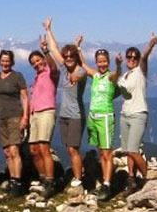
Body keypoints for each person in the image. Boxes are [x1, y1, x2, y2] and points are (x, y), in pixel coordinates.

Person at [42, 19, 86, 192]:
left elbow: (80, 75)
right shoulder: (64, 69)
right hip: (64, 115)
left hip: (76, 116)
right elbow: (53, 48)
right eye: (66, 56)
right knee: (69, 149)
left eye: (71, 56)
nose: (67, 59)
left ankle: (78, 180)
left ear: (75, 57)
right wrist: (49, 30)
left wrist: (75, 77)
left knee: (73, 149)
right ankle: (78, 175)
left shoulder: (80, 71)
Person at [76, 43, 123, 201]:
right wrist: (78, 49)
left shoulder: (111, 77)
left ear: (108, 62)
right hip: (93, 117)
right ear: (96, 62)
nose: (102, 64)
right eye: (99, 61)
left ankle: (107, 185)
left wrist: (118, 64)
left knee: (107, 152)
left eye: (104, 61)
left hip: (105, 117)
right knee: (100, 152)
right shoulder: (95, 75)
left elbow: (118, 75)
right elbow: (83, 64)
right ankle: (104, 181)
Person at [117, 33, 157, 195]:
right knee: (128, 150)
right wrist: (118, 66)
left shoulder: (141, 72)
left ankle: (146, 179)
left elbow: (144, 59)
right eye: (129, 57)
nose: (132, 59)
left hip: (138, 114)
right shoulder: (124, 75)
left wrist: (150, 45)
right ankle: (131, 180)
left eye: (134, 57)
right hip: (125, 114)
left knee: (134, 150)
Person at [0, 49, 29, 196]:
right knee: (7, 152)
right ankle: (12, 179)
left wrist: (25, 117)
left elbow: (25, 97)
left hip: (15, 116)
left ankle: (18, 181)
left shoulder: (17, 76)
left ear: (12, 62)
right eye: (3, 60)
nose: (5, 63)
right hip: (1, 117)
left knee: (14, 150)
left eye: (7, 60)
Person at [27, 36, 60, 198]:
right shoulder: (36, 77)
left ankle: (50, 181)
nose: (36, 63)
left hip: (47, 111)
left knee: (44, 147)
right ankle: (42, 177)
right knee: (33, 149)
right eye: (33, 62)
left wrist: (46, 50)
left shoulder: (50, 73)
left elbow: (54, 67)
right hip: (35, 114)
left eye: (38, 60)